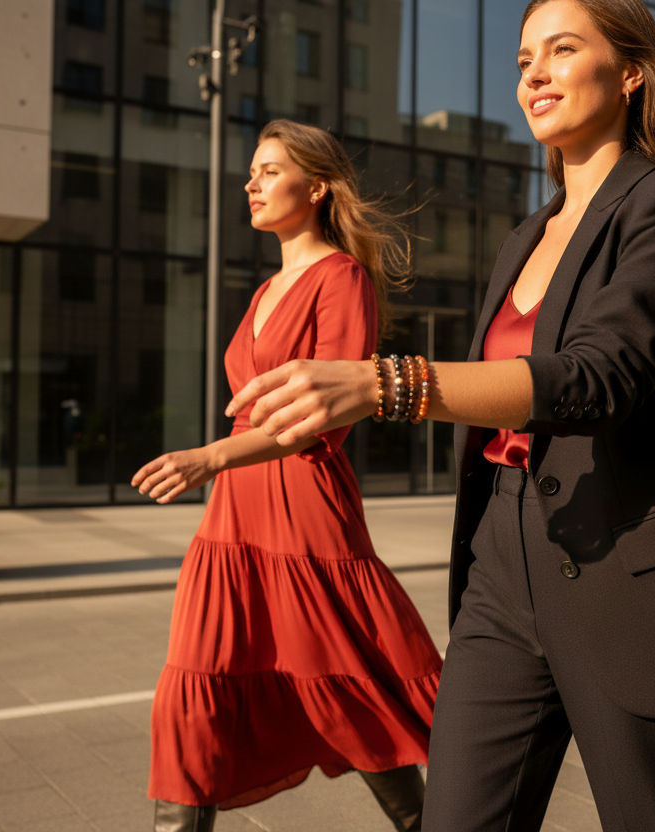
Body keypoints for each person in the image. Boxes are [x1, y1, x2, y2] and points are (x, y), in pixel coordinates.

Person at [224, 1, 655, 830]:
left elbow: (600, 377)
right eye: (523, 58)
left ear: (632, 72)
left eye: (562, 50)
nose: (532, 73)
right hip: (502, 552)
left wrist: (392, 384)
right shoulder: (523, 237)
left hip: (625, 553)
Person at [132, 119, 440, 832]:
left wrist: (210, 457)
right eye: (253, 171)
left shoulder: (343, 279)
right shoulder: (267, 287)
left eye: (270, 170)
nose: (252, 183)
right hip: (235, 515)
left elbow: (323, 421)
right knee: (193, 686)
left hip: (303, 508)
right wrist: (221, 464)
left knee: (345, 684)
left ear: (318, 186)